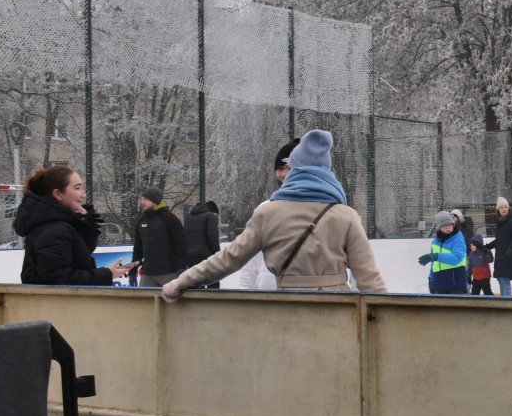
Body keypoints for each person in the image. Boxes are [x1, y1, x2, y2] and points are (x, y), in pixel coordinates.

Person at [161, 129, 387, 301]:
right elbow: (368, 277)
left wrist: (183, 281)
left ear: (294, 170)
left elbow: (229, 259)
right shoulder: (346, 216)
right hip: (336, 308)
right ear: (327, 172)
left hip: (286, 305)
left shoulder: (267, 212)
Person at [13, 166, 133, 285]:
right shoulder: (54, 230)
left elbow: (83, 252)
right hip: (56, 303)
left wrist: (86, 222)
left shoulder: (60, 225)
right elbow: (58, 279)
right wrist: (107, 274)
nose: (83, 194)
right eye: (77, 188)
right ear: (58, 194)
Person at [238, 138, 300, 290]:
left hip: (305, 300)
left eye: (290, 168)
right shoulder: (264, 209)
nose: (285, 174)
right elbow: (250, 260)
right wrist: (245, 297)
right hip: (268, 299)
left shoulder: (321, 208)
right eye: (280, 168)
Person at [131, 187, 187, 288]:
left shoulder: (170, 219)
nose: (142, 202)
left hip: (168, 272)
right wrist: (132, 271)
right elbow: (138, 248)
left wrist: (181, 267)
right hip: (147, 273)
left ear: (154, 200)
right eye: (142, 199)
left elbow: (181, 244)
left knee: (171, 302)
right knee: (144, 302)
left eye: (145, 199)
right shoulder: (142, 221)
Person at [419, 210, 467, 294]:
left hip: (455, 284)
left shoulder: (458, 238)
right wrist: (431, 279)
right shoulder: (435, 242)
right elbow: (434, 264)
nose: (448, 228)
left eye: (450, 225)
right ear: (439, 227)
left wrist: (436, 256)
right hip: (439, 283)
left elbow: (457, 258)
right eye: (444, 226)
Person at [486, 196, 512, 297]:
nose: (504, 209)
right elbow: (499, 240)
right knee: (501, 278)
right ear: (498, 210)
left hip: (509, 255)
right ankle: (504, 300)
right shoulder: (500, 222)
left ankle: (507, 302)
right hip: (501, 255)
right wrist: (488, 246)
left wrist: (511, 248)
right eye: (501, 207)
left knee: (504, 278)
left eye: (505, 207)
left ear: (508, 208)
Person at [184, 200, 221, 289]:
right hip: (206, 256)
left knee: (195, 283)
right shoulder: (211, 216)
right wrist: (218, 254)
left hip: (190, 257)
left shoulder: (188, 217)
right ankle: (211, 301)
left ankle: (195, 301)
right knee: (213, 282)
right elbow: (212, 235)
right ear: (214, 212)